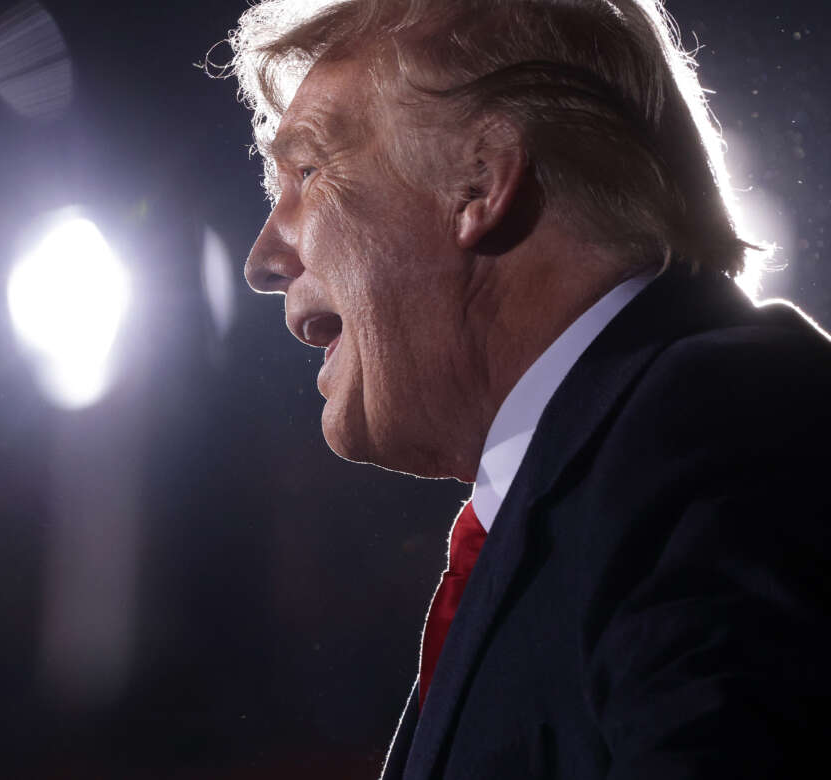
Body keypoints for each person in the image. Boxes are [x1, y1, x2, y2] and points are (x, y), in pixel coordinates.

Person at [216, 0, 831, 777]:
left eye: (308, 170)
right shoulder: (624, 472)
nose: (264, 257)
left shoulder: (730, 433)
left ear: (482, 178)